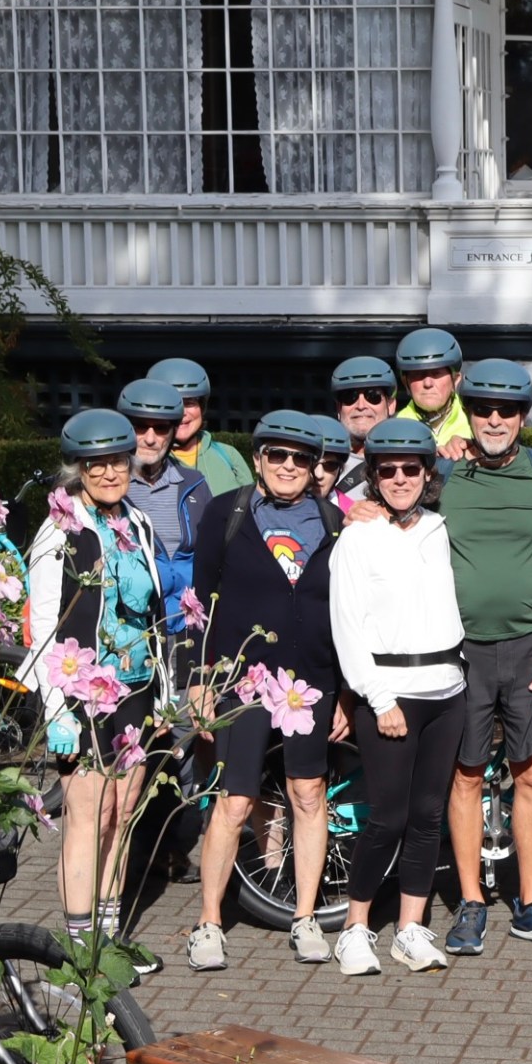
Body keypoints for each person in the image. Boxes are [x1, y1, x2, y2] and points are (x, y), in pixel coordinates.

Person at [183, 411, 345, 973]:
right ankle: (207, 922)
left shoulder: (332, 521)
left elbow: (345, 614)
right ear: (257, 459)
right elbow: (197, 605)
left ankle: (304, 918)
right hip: (242, 681)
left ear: (314, 468)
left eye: (301, 459)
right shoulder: (225, 516)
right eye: (277, 455)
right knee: (234, 801)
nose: (288, 467)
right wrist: (199, 682)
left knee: (308, 794)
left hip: (311, 683)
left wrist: (344, 693)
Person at [437, 360, 532, 956]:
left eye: (507, 410)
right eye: (482, 409)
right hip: (460, 647)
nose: (494, 419)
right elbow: (376, 498)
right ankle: (472, 902)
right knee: (466, 773)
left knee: (531, 772)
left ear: (523, 416)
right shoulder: (442, 472)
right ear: (468, 413)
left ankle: (530, 903)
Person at [20, 410, 169, 948]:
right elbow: (41, 626)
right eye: (95, 463)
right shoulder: (59, 529)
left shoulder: (138, 522)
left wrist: (165, 692)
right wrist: (56, 710)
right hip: (80, 695)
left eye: (117, 460)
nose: (109, 472)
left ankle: (110, 940)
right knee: (89, 814)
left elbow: (151, 615)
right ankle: (80, 945)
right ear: (77, 468)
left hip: (135, 688)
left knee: (122, 813)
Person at [329, 418, 470, 976]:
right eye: (386, 470)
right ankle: (355, 928)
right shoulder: (357, 537)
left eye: (411, 468)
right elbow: (348, 626)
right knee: (385, 817)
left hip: (448, 691)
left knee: (427, 815)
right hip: (390, 692)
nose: (399, 478)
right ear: (372, 475)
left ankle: (411, 927)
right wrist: (379, 698)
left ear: (428, 473)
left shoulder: (439, 528)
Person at [116, 379, 209, 643]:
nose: (150, 438)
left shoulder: (195, 484)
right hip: (133, 632)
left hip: (192, 632)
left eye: (160, 428)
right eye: (140, 427)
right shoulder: (111, 489)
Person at [147, 358, 253, 496]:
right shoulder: (144, 460)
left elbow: (251, 507)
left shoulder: (227, 455)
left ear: (202, 408)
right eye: (171, 404)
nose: (182, 413)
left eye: (189, 403)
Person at [394, 328, 471, 453]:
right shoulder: (394, 428)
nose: (428, 383)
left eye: (436, 373)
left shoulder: (475, 421)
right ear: (405, 382)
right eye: (418, 374)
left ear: (455, 380)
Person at [330, 355, 397, 499]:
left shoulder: (412, 457)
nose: (361, 406)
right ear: (338, 408)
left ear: (391, 405)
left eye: (373, 396)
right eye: (350, 397)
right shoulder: (321, 462)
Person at [311, 415, 356, 514]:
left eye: (330, 465)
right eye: (312, 463)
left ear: (340, 470)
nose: (319, 474)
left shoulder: (352, 513)